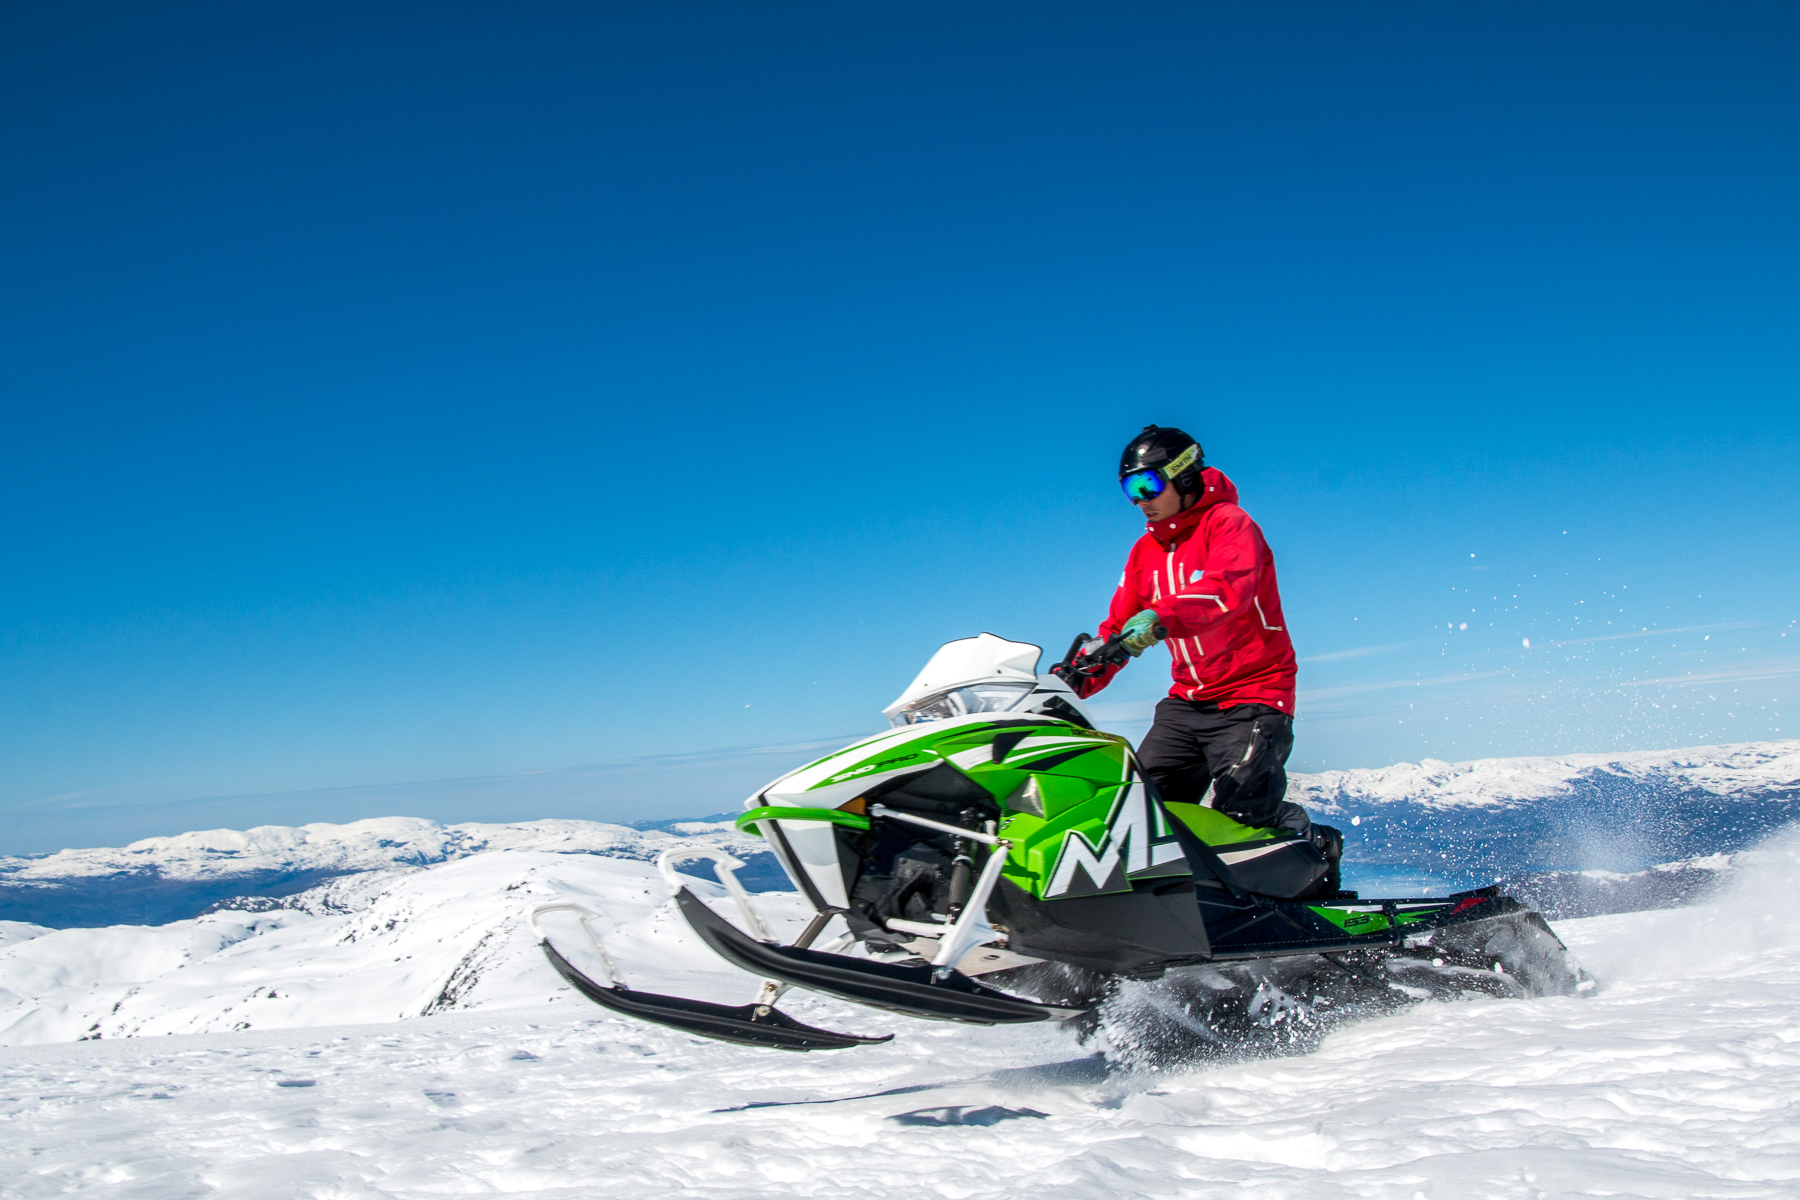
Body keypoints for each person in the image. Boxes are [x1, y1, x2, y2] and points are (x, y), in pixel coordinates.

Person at [1055, 425, 1340, 874]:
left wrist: (1161, 617)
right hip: (1188, 702)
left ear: (1184, 477)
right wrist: (1070, 682)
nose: (1139, 500)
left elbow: (1227, 591)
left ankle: (1309, 840)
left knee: (1243, 819)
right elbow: (1116, 628)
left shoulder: (1229, 525)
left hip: (1254, 697)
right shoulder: (1144, 552)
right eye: (1129, 489)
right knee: (1140, 815)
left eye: (1147, 484)